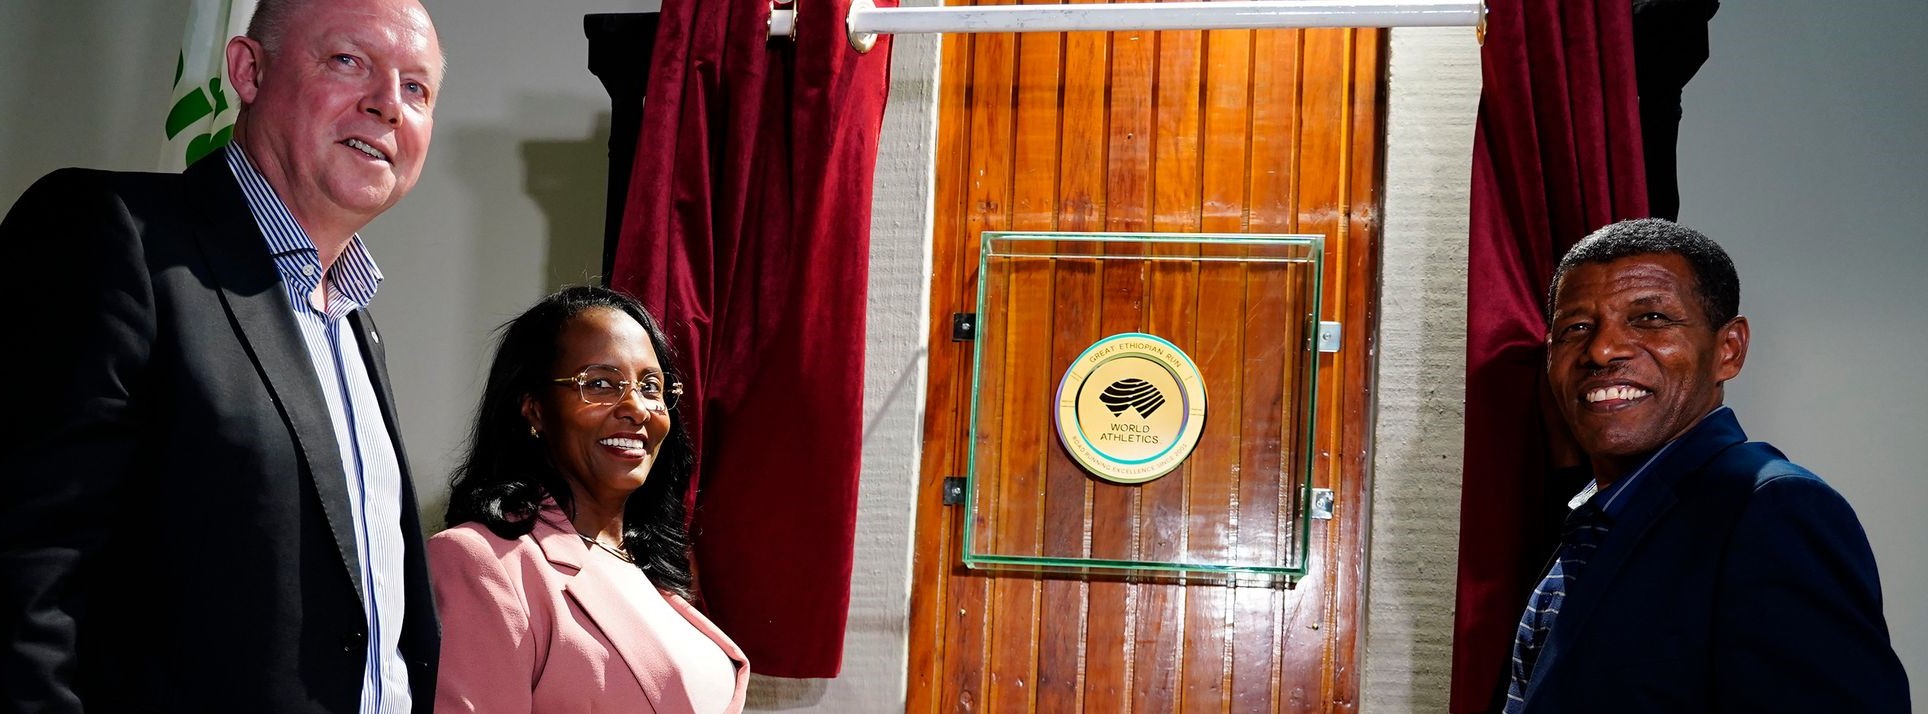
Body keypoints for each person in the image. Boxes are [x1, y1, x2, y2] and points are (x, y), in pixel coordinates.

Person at [0, 0, 444, 711]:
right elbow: (22, 583)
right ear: (247, 70)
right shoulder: (113, 236)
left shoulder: (356, 324)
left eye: (417, 88)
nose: (389, 105)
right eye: (347, 61)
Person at [1504, 218, 1910, 712]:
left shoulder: (1772, 510)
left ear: (1729, 350)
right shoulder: (1594, 518)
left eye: (1650, 318)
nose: (1602, 349)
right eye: (1576, 328)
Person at [432, 286, 748, 712]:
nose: (636, 407)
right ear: (534, 408)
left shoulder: (651, 570)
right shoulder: (482, 561)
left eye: (651, 386)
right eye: (600, 383)